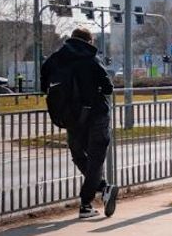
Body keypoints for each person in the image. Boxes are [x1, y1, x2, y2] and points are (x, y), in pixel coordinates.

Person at [41, 27, 117, 219]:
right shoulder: (91, 58)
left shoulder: (55, 58)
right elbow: (108, 87)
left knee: (78, 155)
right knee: (96, 157)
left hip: (71, 117)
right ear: (89, 41)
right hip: (97, 114)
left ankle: (102, 188)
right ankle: (87, 202)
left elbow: (44, 84)